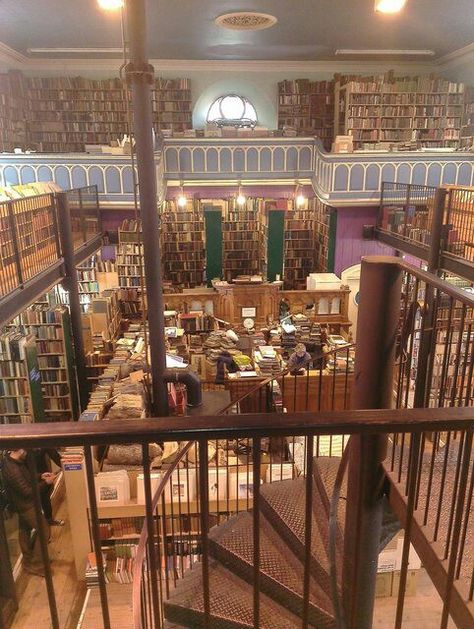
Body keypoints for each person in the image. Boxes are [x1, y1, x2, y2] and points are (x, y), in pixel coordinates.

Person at [1, 449, 53, 577]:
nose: (27, 453)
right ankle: (37, 564)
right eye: (25, 451)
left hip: (22, 505)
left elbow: (27, 477)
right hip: (25, 506)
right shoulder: (13, 470)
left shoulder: (13, 462)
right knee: (44, 531)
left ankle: (29, 561)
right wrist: (45, 483)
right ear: (19, 450)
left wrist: (40, 476)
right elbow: (28, 492)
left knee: (24, 530)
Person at [34, 449, 64, 527]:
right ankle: (41, 527)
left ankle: (48, 520)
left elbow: (53, 453)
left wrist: (65, 465)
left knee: (45, 497)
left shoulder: (40, 441)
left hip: (41, 472)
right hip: (30, 473)